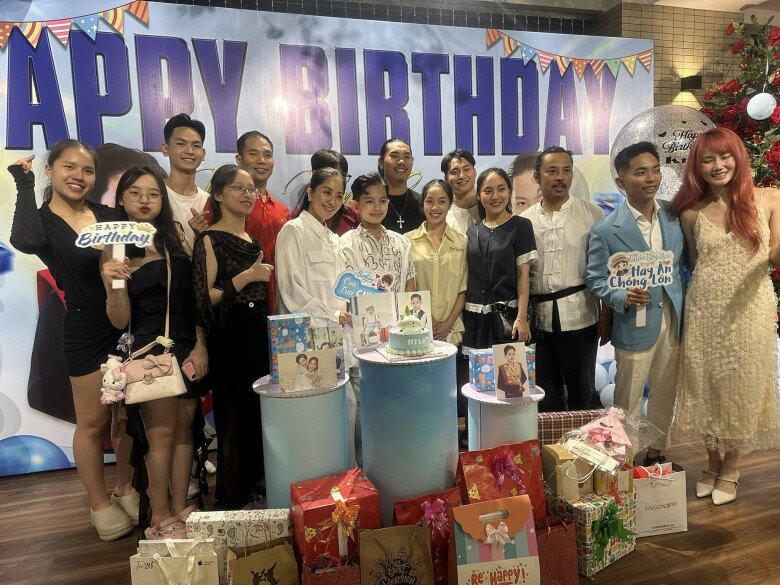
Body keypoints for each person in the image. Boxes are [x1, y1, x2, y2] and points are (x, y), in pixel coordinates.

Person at [9, 141, 136, 541]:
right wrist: (23, 183)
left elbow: (136, 250)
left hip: (124, 326)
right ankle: (99, 505)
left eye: (87, 170)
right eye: (69, 167)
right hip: (83, 330)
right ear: (50, 170)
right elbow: (24, 240)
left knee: (125, 417)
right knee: (93, 422)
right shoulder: (43, 222)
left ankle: (126, 487)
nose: (78, 176)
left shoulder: (106, 216)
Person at [671, 127, 780, 505]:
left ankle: (731, 467)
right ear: (697, 167)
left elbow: (775, 255)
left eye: (724, 156)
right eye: (708, 160)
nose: (718, 165)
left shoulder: (769, 198)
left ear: (738, 157)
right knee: (705, 386)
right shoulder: (690, 213)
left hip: (751, 309)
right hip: (705, 308)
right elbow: (694, 263)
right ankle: (712, 461)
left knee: (742, 387)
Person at [101, 166, 209, 538]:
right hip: (150, 352)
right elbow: (119, 320)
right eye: (135, 193)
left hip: (188, 347)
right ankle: (160, 516)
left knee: (184, 431)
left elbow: (195, 298)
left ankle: (180, 508)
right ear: (122, 199)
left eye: (153, 193)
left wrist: (201, 345)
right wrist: (112, 285)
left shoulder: (175, 234)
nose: (145, 200)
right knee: (160, 435)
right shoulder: (116, 246)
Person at [586, 142, 686, 466]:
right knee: (626, 398)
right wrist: (621, 296)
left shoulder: (674, 216)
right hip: (634, 322)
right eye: (641, 172)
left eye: (655, 170)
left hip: (672, 319)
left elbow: (681, 265)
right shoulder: (606, 230)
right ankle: (622, 462)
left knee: (665, 393)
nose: (651, 178)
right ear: (621, 181)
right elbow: (595, 278)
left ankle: (657, 454)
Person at [192, 164, 274, 509]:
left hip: (257, 332)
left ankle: (257, 485)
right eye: (238, 188)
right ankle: (232, 496)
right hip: (229, 336)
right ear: (218, 194)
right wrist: (246, 277)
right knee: (232, 415)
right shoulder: (209, 239)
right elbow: (203, 297)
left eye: (251, 188)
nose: (247, 194)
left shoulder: (251, 239)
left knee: (257, 413)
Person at [275, 168, 360, 465]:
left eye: (338, 195)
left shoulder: (333, 238)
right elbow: (291, 292)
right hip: (308, 342)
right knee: (320, 419)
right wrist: (334, 314)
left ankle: (347, 480)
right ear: (310, 192)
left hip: (337, 339)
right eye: (326, 192)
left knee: (345, 412)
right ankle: (328, 481)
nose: (332, 200)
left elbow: (342, 289)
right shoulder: (293, 231)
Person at [523, 147, 605, 412]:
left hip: (581, 315)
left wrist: (607, 314)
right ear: (537, 176)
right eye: (552, 171)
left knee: (583, 389)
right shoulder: (524, 221)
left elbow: (605, 271)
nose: (560, 177)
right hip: (538, 319)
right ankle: (551, 439)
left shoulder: (593, 215)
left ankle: (583, 438)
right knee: (545, 393)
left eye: (566, 170)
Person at [204, 131, 289, 314]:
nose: (261, 160)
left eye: (267, 155)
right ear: (239, 159)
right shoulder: (223, 203)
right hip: (235, 301)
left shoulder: (282, 211)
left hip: (277, 296)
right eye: (253, 154)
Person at [463, 168, 537, 350]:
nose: (495, 196)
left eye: (501, 189)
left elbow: (523, 275)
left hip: (509, 317)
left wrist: (521, 318)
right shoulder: (472, 231)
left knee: (510, 368)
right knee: (478, 368)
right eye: (488, 191)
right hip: (475, 317)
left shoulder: (521, 226)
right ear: (479, 195)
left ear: (509, 191)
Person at [406, 179, 467, 345]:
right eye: (429, 201)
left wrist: (448, 324)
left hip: (452, 330)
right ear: (422, 204)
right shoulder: (407, 241)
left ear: (450, 204)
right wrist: (428, 319)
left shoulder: (462, 241)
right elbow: (409, 287)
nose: (435, 207)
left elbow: (463, 288)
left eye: (442, 201)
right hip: (418, 327)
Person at [339, 173, 417, 292]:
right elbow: (344, 291)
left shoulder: (402, 242)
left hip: (399, 304)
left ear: (388, 203)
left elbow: (410, 285)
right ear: (355, 206)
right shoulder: (345, 244)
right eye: (370, 201)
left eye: (382, 201)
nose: (377, 207)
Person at [161, 113, 210, 248]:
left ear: (203, 154)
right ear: (165, 149)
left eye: (196, 146)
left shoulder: (210, 202)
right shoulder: (155, 195)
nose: (189, 151)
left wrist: (202, 237)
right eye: (181, 144)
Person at [291, 150, 360, 235]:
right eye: (330, 173)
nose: (337, 180)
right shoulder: (295, 224)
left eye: (342, 175)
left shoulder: (352, 217)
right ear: (314, 175)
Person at [377, 138, 424, 232]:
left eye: (407, 157)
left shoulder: (422, 203)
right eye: (394, 156)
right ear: (381, 162)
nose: (401, 161)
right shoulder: (371, 203)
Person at [442, 149, 479, 234]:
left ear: (475, 172)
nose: (461, 176)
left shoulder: (490, 207)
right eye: (455, 172)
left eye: (466, 169)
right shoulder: (443, 215)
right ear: (446, 178)